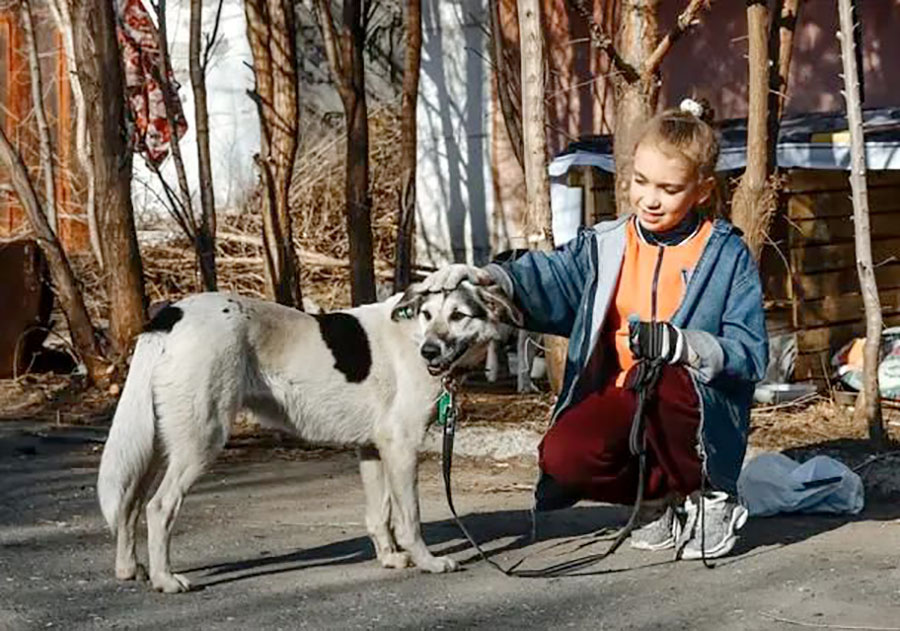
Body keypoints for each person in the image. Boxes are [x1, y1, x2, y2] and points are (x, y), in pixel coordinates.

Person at [421, 98, 768, 560]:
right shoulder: (606, 243)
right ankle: (655, 500)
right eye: (640, 181)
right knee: (564, 456)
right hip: (622, 393)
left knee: (666, 379)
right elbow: (549, 277)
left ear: (702, 191)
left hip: (697, 409)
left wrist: (685, 345)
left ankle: (711, 497)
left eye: (669, 188)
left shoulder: (727, 255)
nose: (649, 198)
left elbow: (751, 353)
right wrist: (487, 277)